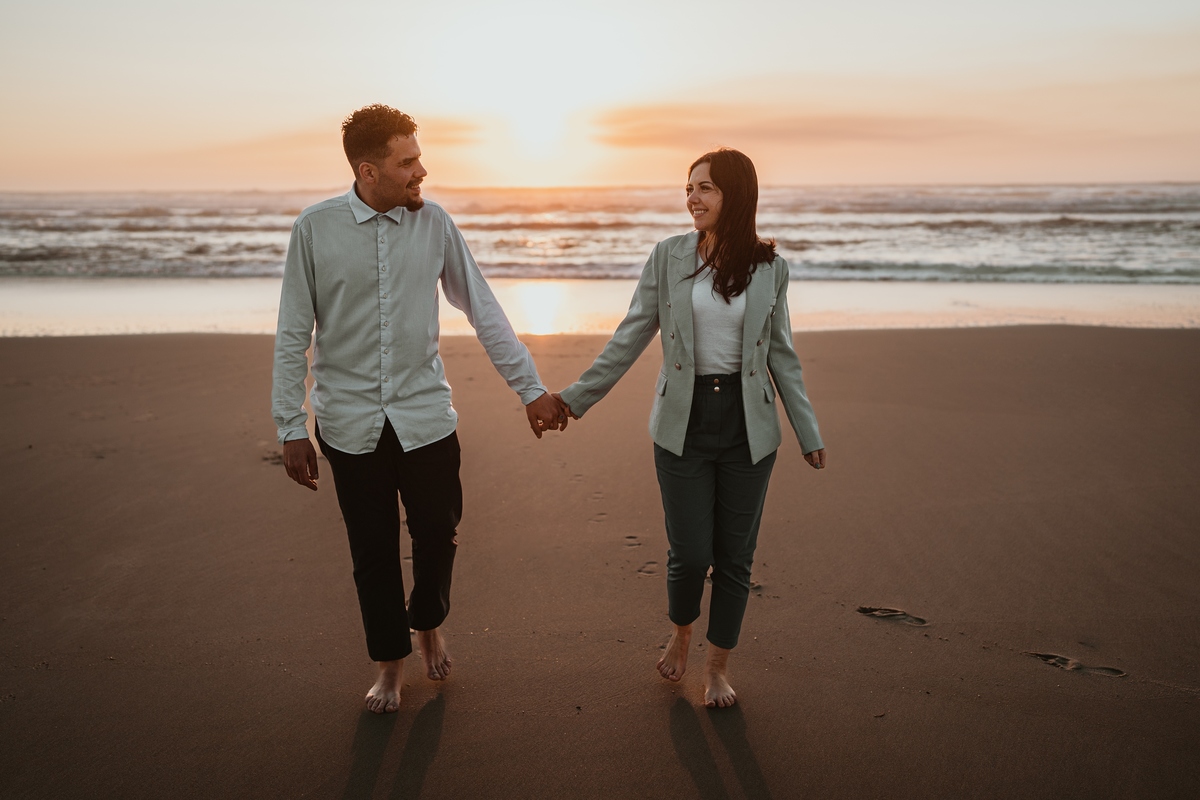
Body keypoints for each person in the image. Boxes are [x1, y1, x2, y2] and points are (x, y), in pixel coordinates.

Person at [272, 104, 568, 714]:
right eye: (407, 162)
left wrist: (530, 389)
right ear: (368, 170)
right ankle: (389, 665)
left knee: (437, 531)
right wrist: (289, 424)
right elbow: (292, 333)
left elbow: (482, 308)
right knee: (372, 552)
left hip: (425, 416)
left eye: (419, 159)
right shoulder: (315, 229)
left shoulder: (435, 225)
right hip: (350, 425)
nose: (421, 172)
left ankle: (428, 620)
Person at [554, 149, 826, 708]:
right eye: (688, 187)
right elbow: (631, 334)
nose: (692, 198)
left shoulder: (770, 267)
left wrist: (808, 431)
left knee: (735, 557)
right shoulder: (668, 256)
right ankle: (681, 634)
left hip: (750, 427)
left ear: (736, 195)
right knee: (689, 551)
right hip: (683, 421)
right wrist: (576, 399)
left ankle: (717, 667)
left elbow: (782, 355)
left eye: (705, 188)